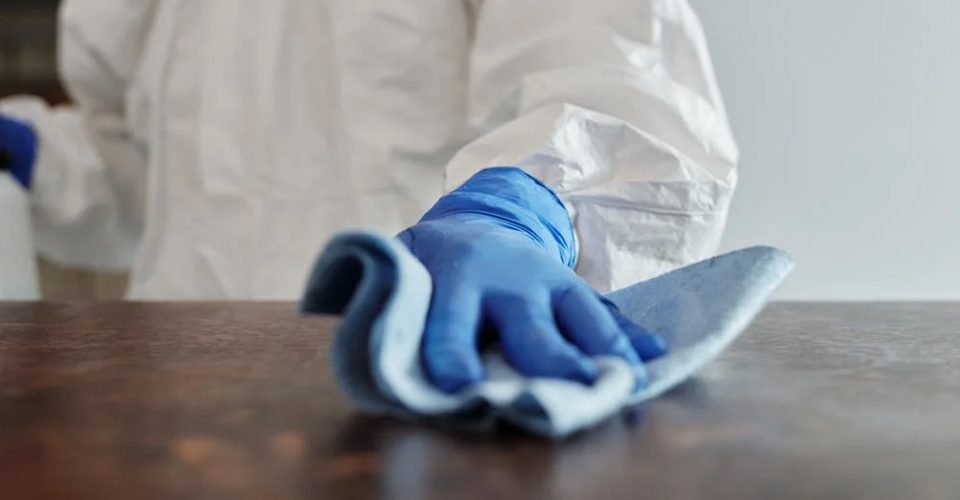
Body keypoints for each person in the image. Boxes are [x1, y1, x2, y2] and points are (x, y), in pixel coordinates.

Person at [0, 0, 738, 391]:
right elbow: (141, 191)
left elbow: (617, 75)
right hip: (178, 394)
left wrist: (525, 204)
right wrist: (42, 158)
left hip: (423, 363)